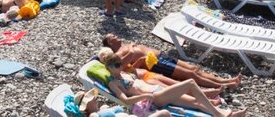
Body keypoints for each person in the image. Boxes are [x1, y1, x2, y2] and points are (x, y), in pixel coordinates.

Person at [97, 48, 245, 117]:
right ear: (109, 68)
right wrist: (145, 96)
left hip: (158, 89)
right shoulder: (113, 83)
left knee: (195, 102)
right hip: (154, 97)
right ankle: (219, 114)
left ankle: (227, 115)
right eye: (116, 65)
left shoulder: (125, 74)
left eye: (120, 63)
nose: (120, 66)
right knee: (190, 83)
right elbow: (125, 100)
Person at [100, 34, 240, 92]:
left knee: (194, 68)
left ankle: (225, 80)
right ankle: (223, 85)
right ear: (110, 43)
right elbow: (123, 69)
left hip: (161, 55)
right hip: (156, 63)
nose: (116, 36)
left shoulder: (125, 46)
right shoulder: (117, 55)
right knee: (190, 74)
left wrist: (131, 47)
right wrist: (136, 54)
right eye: (113, 37)